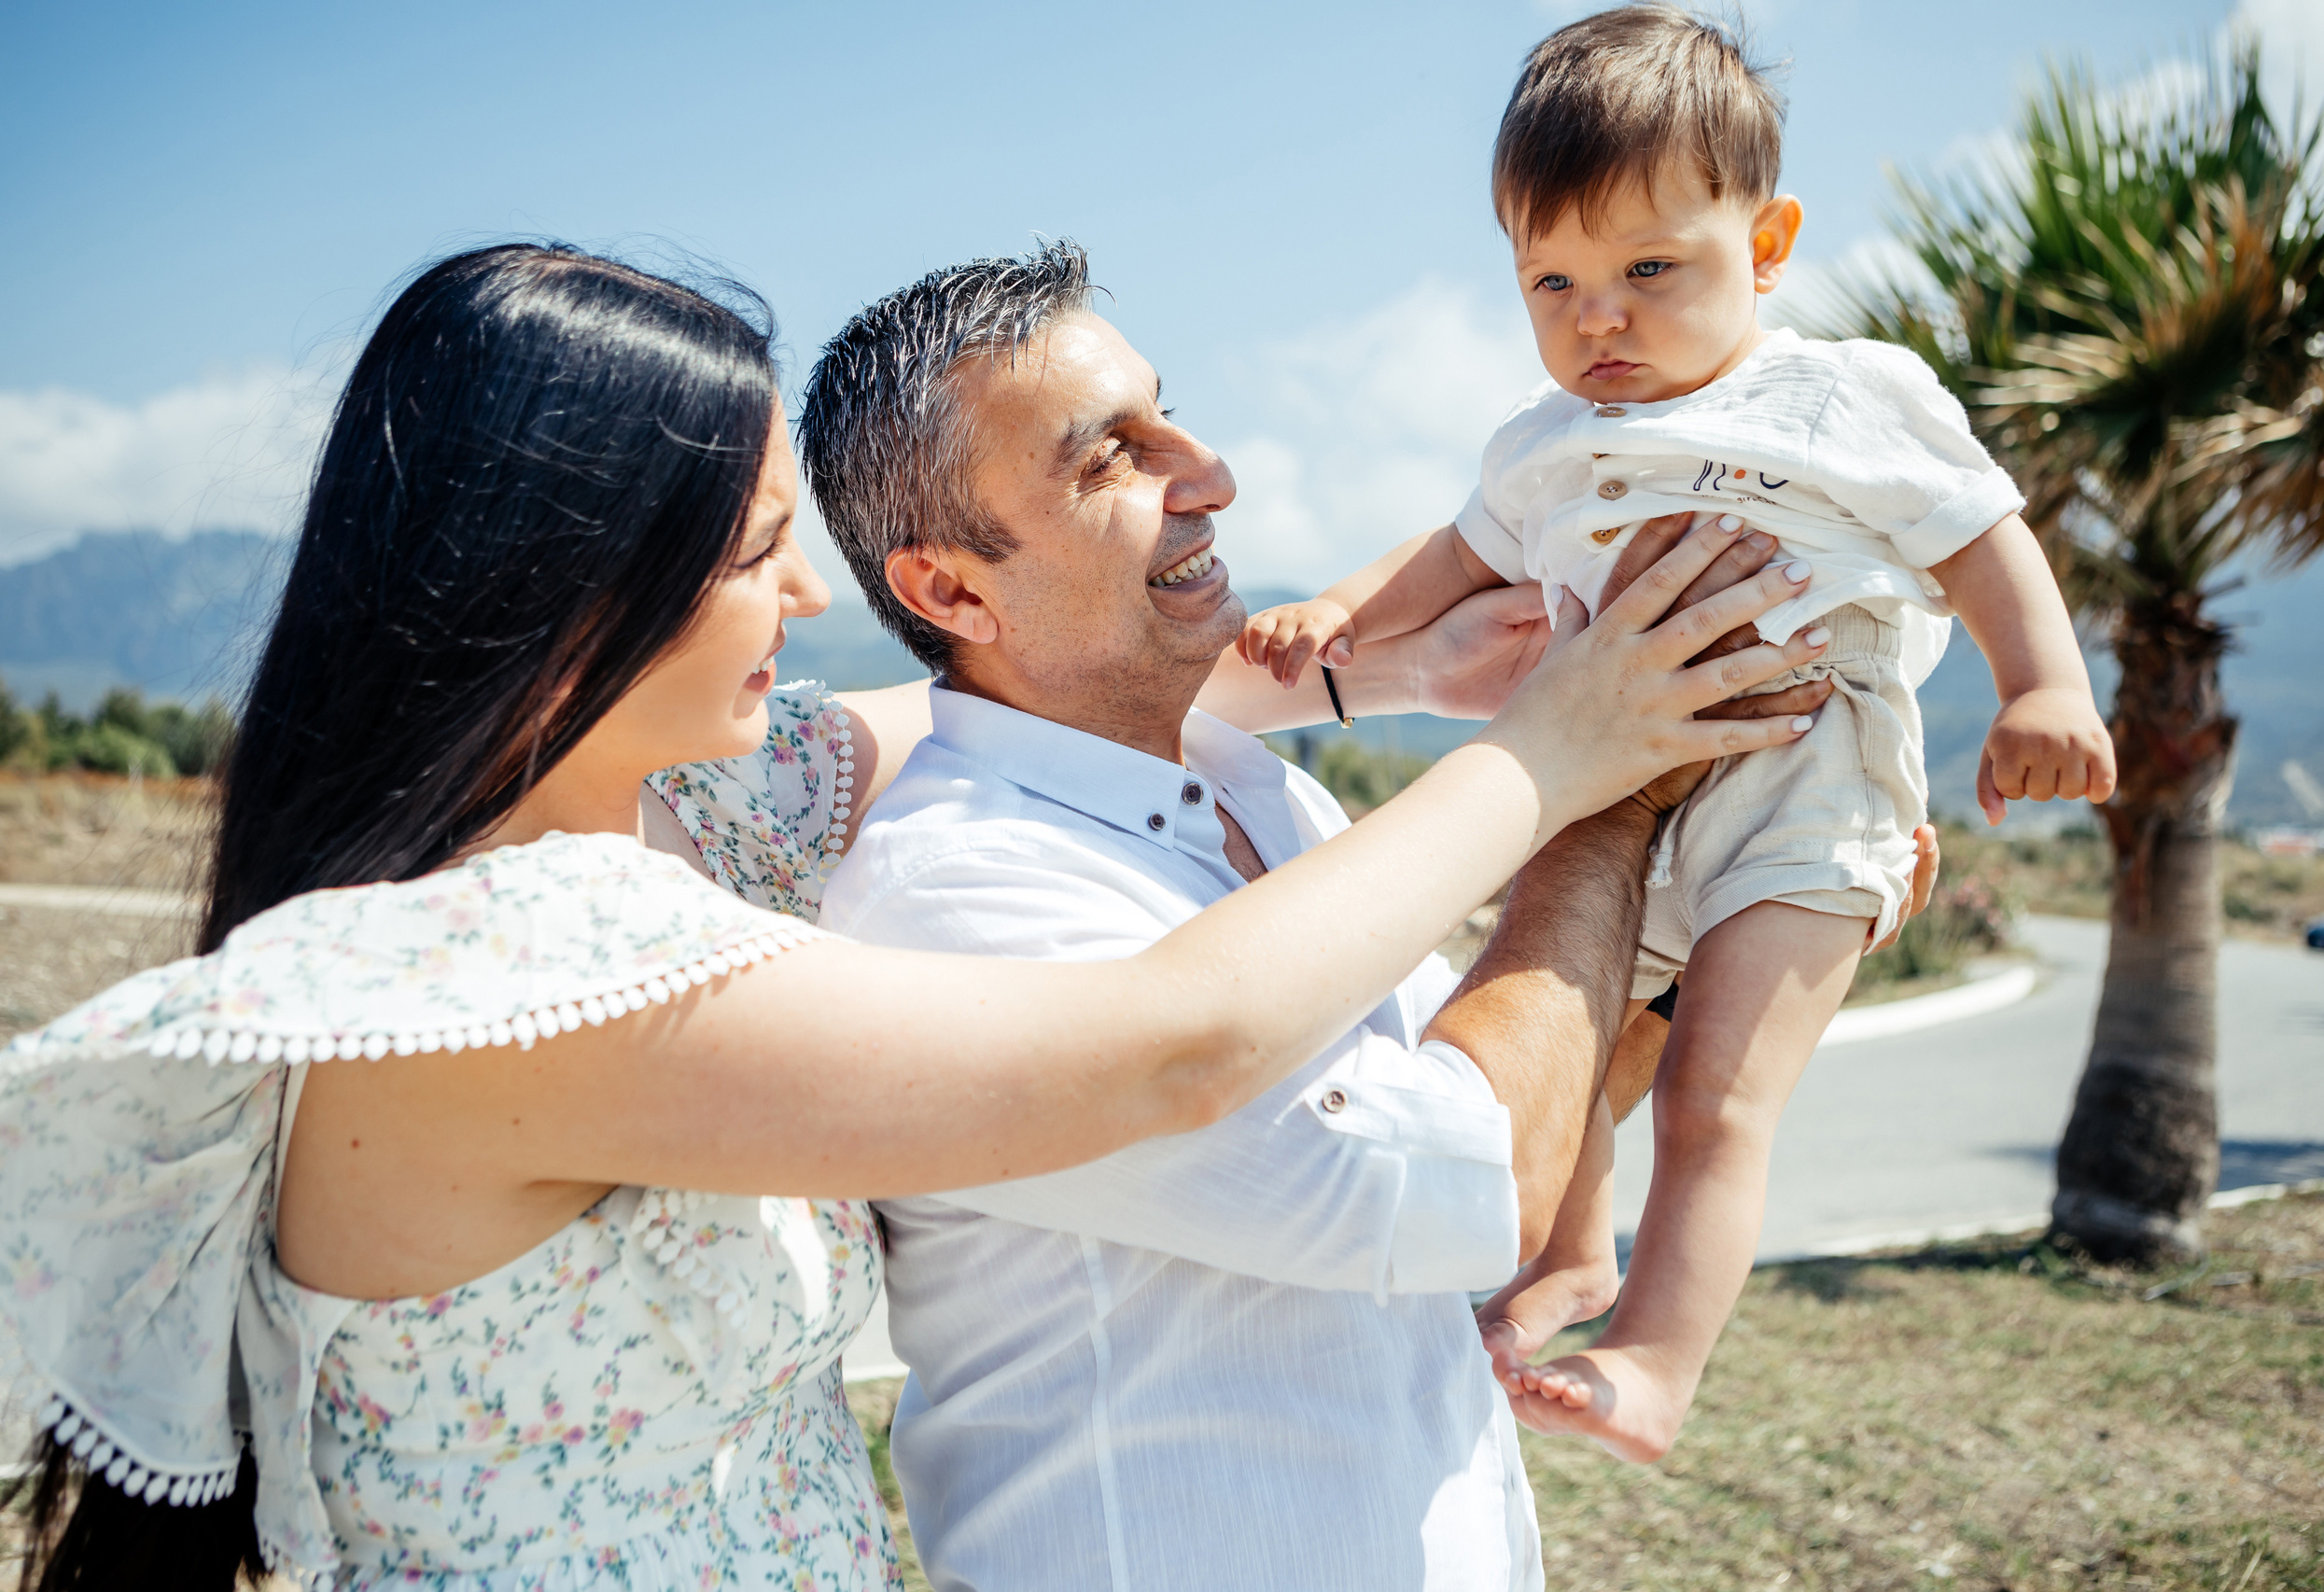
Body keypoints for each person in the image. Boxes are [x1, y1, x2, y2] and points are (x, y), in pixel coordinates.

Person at [0, 244, 1821, 1590]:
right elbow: (1172, 1043)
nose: (806, 587)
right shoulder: (519, 970)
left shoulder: (666, 816)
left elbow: (950, 711)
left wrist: (1358, 674)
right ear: (565, 606)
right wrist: (1549, 757)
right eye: (746, 552)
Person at [787, 241, 1895, 1592]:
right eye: (1111, 457)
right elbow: (1462, 1182)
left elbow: (1539, 1116)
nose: (1209, 475)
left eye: (1167, 412)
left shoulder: (1265, 796)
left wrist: (1752, 894)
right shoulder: (960, 891)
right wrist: (1592, 776)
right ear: (951, 589)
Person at [1239, 4, 2118, 1461]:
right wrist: (1332, 607)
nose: (1601, 318)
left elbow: (1982, 536)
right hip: (1616, 785)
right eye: (1554, 280)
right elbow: (1451, 561)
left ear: (1766, 248)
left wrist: (2046, 687)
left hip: (1804, 784)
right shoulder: (1541, 439)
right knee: (1564, 1046)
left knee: (1716, 1090)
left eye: (1652, 269)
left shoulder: (1841, 395)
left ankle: (1656, 1352)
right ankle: (1564, 1259)